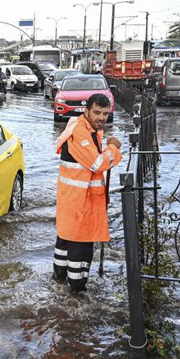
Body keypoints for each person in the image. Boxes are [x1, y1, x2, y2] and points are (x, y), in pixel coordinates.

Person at [52, 93, 123, 293]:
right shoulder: (81, 133)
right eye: (97, 113)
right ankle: (77, 294)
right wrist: (113, 147)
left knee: (66, 241)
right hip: (78, 202)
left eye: (105, 114)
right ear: (86, 111)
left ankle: (59, 285)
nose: (101, 117)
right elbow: (97, 164)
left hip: (75, 200)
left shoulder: (86, 128)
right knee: (79, 248)